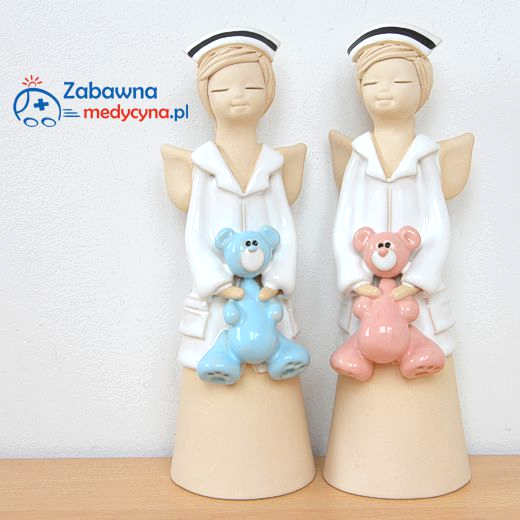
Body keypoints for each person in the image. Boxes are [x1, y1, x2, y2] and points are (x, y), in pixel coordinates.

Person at [331, 24, 474, 355]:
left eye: (400, 82)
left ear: (423, 89)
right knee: (358, 350)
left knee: (427, 349)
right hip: (367, 290)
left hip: (415, 294)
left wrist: (417, 279)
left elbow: (437, 223)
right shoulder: (359, 155)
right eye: (372, 82)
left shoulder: (425, 157)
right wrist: (355, 279)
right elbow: (345, 221)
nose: (385, 90)